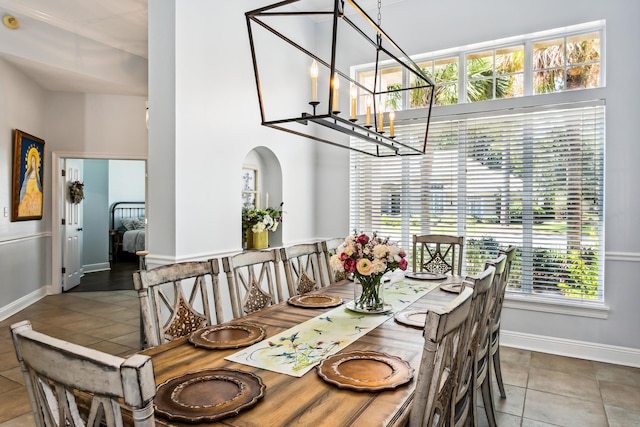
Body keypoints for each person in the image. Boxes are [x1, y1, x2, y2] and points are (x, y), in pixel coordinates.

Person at [18, 147, 43, 217]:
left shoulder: (37, 175)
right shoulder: (27, 174)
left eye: (34, 161)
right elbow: (24, 186)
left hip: (36, 196)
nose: (33, 163)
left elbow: (38, 185)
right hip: (28, 196)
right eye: (32, 161)